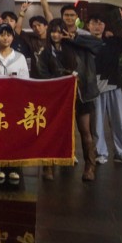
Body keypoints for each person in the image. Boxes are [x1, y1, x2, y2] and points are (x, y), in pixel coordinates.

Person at [37, 19, 101, 181]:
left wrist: (76, 38)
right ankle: (48, 166)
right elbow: (42, 74)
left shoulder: (76, 46)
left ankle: (90, 167)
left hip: (81, 96)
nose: (56, 35)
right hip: (57, 99)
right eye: (53, 31)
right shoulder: (45, 53)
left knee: (85, 131)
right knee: (52, 131)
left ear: (65, 32)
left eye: (60, 32)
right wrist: (61, 80)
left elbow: (98, 45)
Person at [89, 9, 122, 166]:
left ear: (104, 26)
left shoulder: (113, 42)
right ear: (88, 26)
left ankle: (121, 153)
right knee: (97, 123)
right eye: (94, 23)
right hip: (95, 89)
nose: (97, 26)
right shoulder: (83, 43)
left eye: (100, 23)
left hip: (113, 86)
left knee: (118, 121)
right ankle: (101, 153)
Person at [0, 23, 30, 182]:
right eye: (2, 35)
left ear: (13, 37)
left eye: (9, 35)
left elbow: (26, 81)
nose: (5, 38)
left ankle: (14, 167)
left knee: (14, 136)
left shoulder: (20, 57)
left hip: (14, 103)